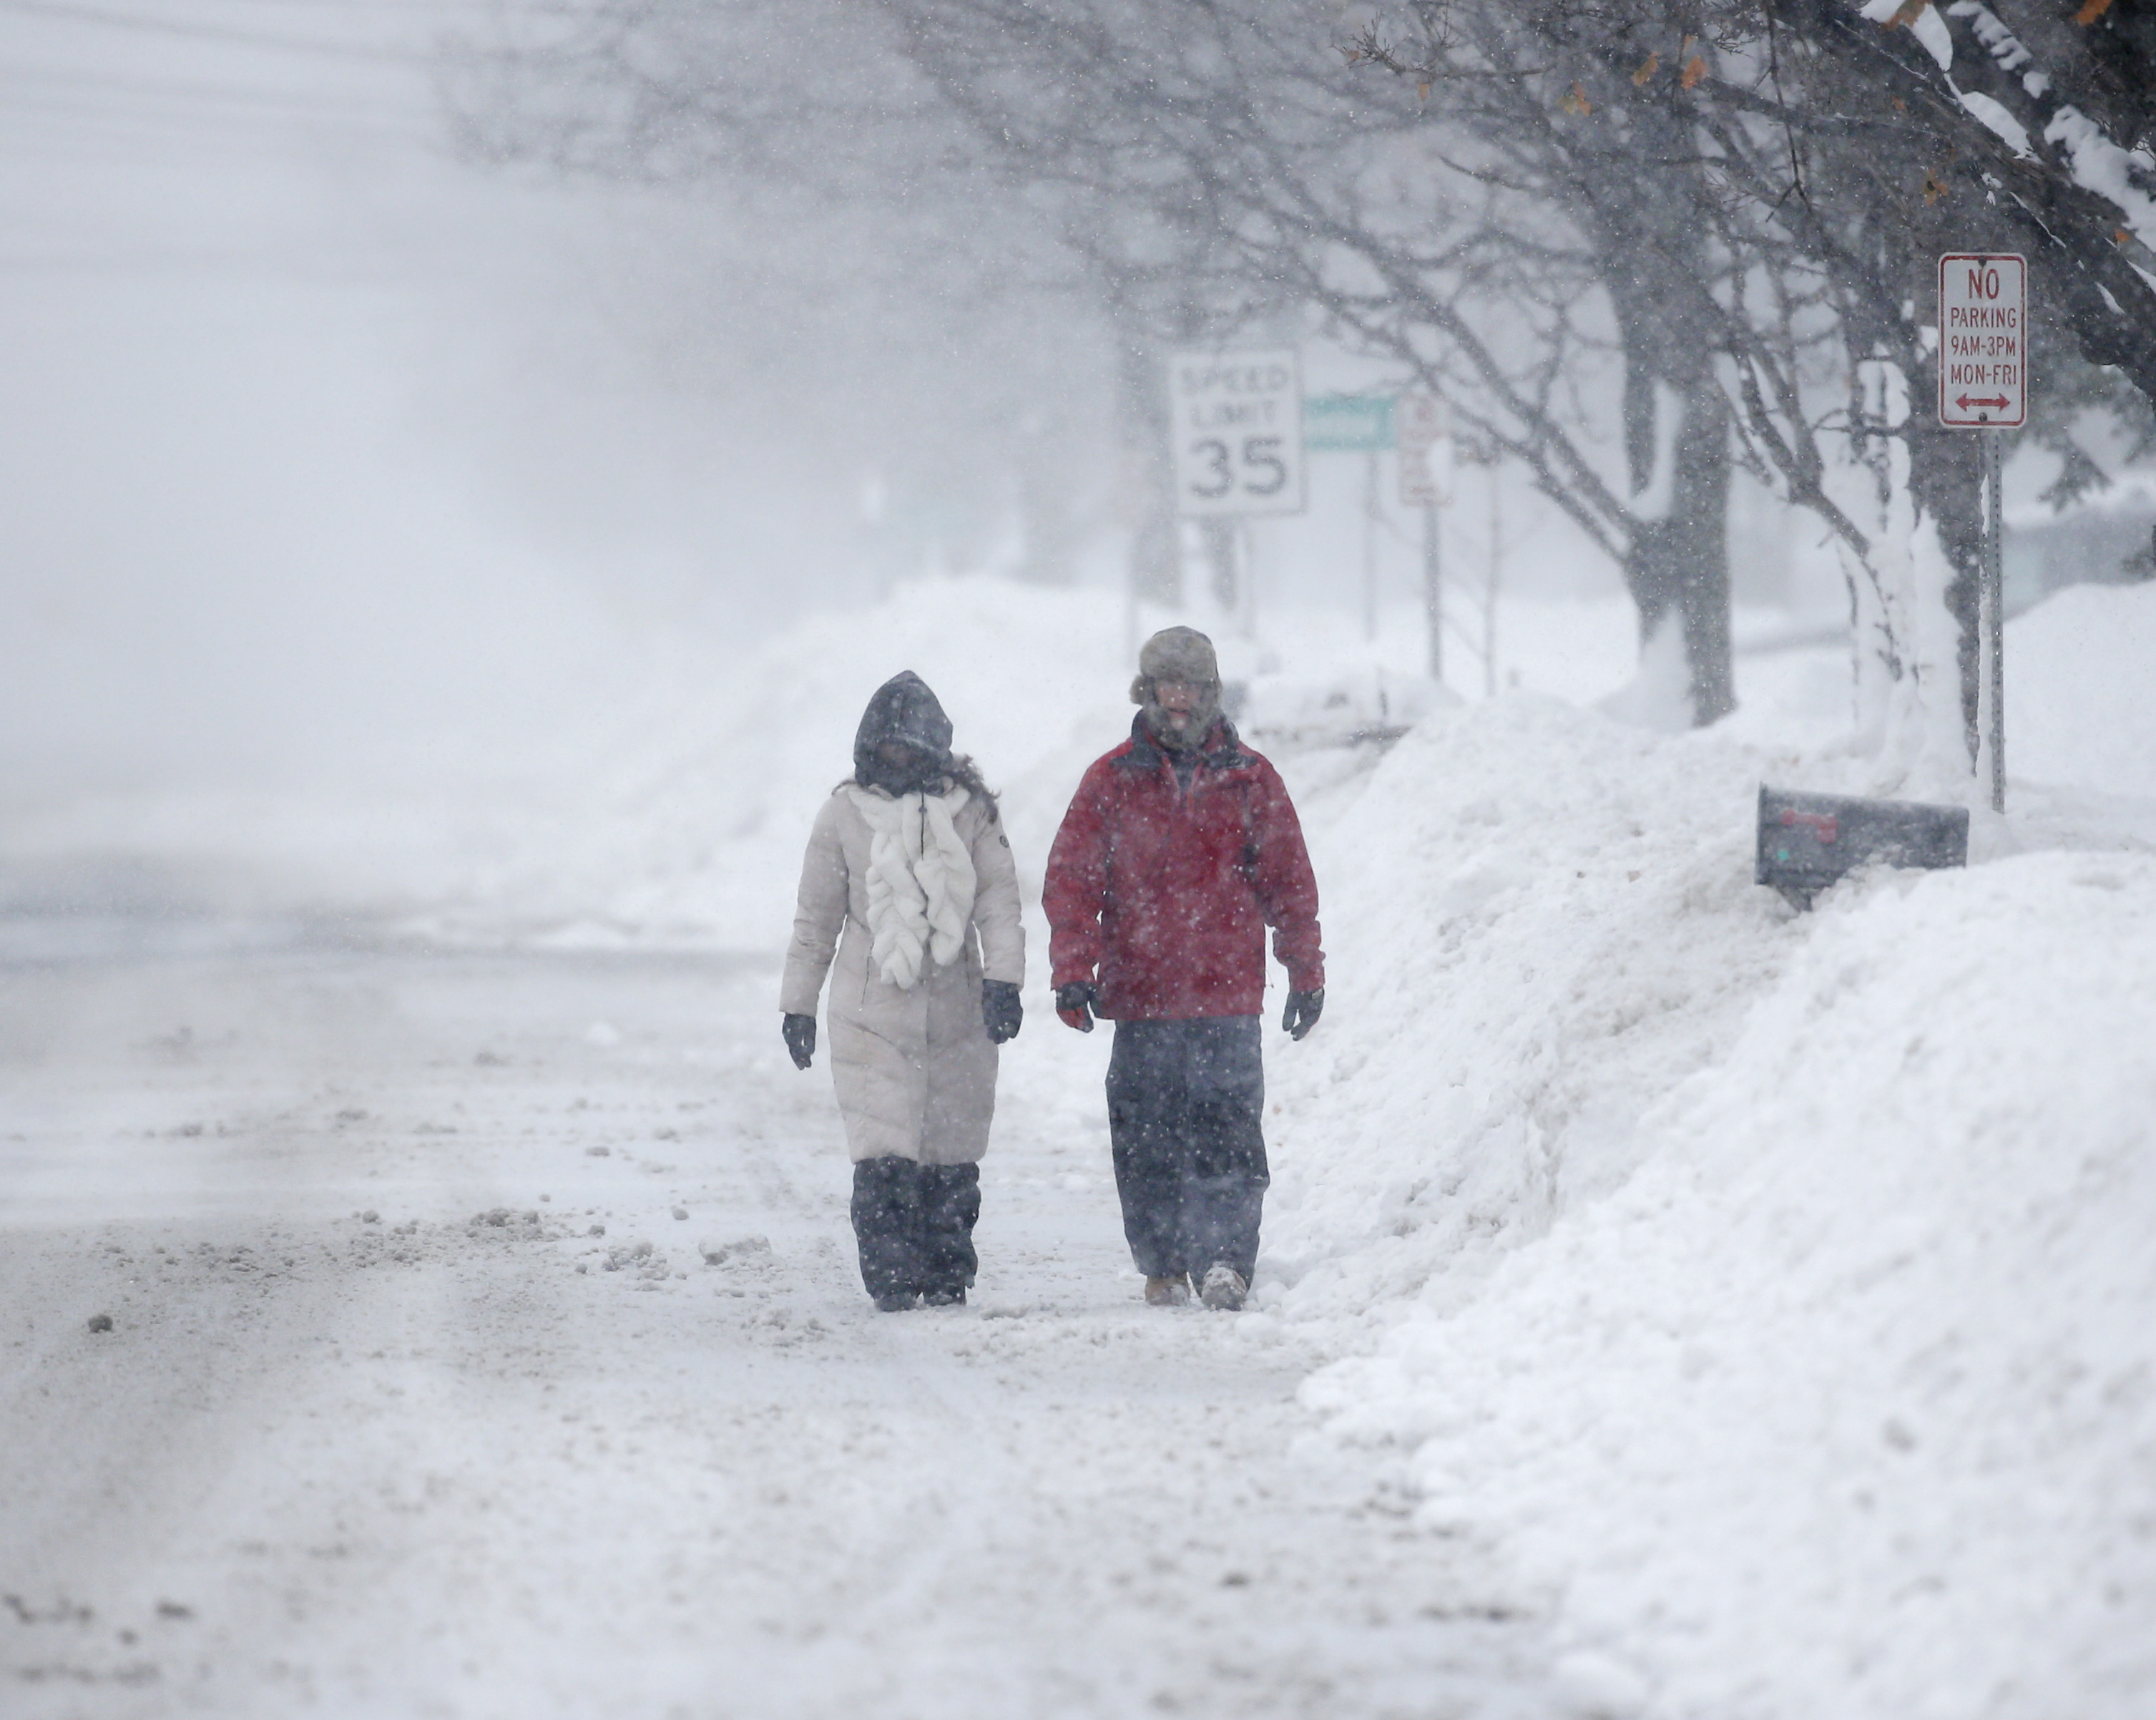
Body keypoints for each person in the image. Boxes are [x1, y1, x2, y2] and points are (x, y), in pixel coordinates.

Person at [1042, 627, 1324, 1312]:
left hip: (1226, 998)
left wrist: (1305, 970)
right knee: (1146, 1143)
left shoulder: (1251, 779)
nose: (1179, 698)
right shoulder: (1111, 779)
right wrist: (1072, 968)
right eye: (1168, 685)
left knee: (1230, 1133)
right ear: (1147, 690)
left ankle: (1226, 1259)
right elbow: (1073, 881)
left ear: (1211, 692)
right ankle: (1164, 1261)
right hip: (1142, 999)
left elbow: (1289, 882)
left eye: (1192, 686)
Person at [781, 671, 1025, 1312]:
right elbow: (816, 921)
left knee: (951, 1152)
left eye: (909, 748)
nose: (897, 760)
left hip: (959, 1011)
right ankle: (890, 1271)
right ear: (867, 749)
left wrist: (1004, 980)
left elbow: (1000, 901)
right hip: (870, 1012)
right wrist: (797, 1005)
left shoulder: (972, 813)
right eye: (886, 749)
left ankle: (947, 1269)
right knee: (884, 1153)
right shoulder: (841, 817)